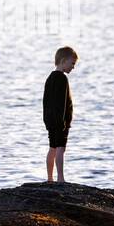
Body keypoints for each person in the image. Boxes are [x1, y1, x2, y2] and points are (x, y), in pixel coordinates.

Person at [43, 46, 77, 183]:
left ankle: (50, 178)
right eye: (72, 64)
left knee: (52, 147)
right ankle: (60, 178)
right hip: (60, 121)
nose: (73, 67)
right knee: (60, 149)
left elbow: (45, 101)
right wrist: (63, 122)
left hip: (50, 120)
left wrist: (46, 119)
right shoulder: (62, 79)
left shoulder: (50, 77)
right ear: (63, 61)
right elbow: (62, 103)